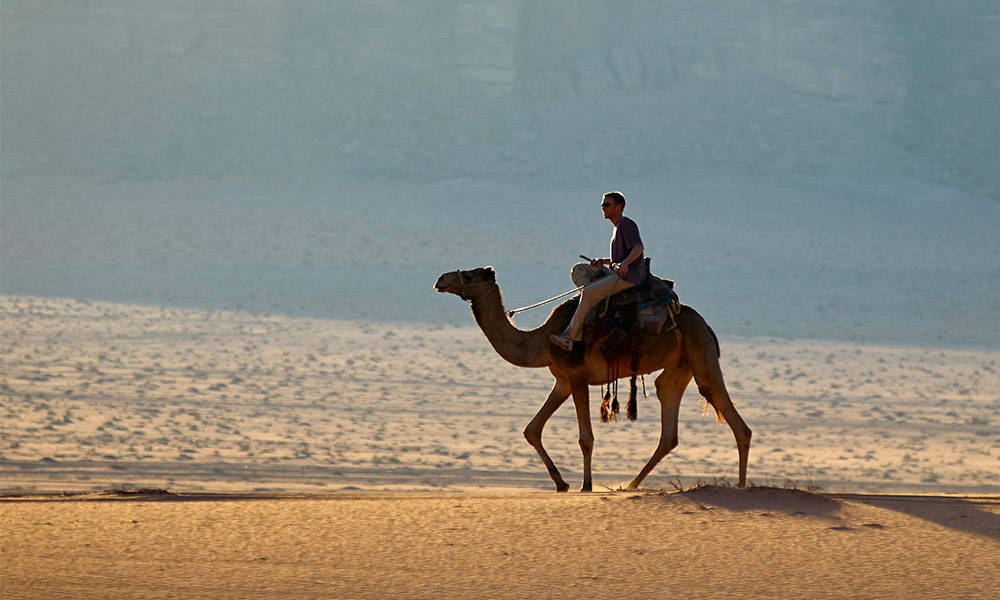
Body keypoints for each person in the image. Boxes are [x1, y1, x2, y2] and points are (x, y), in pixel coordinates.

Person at [549, 191, 648, 350]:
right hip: (617, 271)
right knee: (579, 269)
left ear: (618, 207)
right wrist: (602, 262)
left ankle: (570, 337)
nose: (603, 207)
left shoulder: (626, 224)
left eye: (606, 204)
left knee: (588, 293)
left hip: (628, 277)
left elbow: (638, 247)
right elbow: (619, 260)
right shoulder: (617, 227)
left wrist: (626, 264)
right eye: (603, 204)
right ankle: (592, 300)